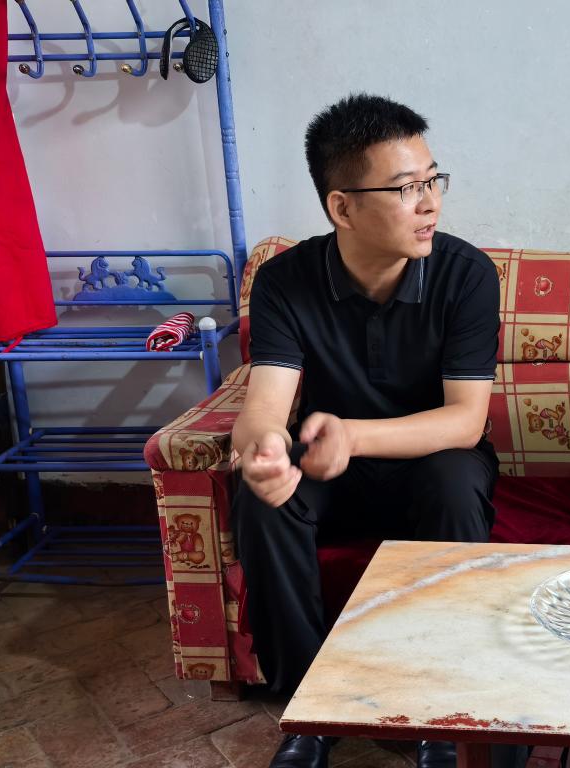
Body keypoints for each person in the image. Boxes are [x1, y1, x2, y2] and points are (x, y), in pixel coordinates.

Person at [231, 94, 500, 768]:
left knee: (455, 481)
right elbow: (265, 406)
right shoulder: (285, 280)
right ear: (342, 207)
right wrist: (264, 450)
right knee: (261, 499)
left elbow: (464, 421)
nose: (431, 203)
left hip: (429, 457)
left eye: (433, 180)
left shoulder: (466, 275)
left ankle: (441, 711)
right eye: (407, 188)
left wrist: (352, 434)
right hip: (331, 463)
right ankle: (311, 712)